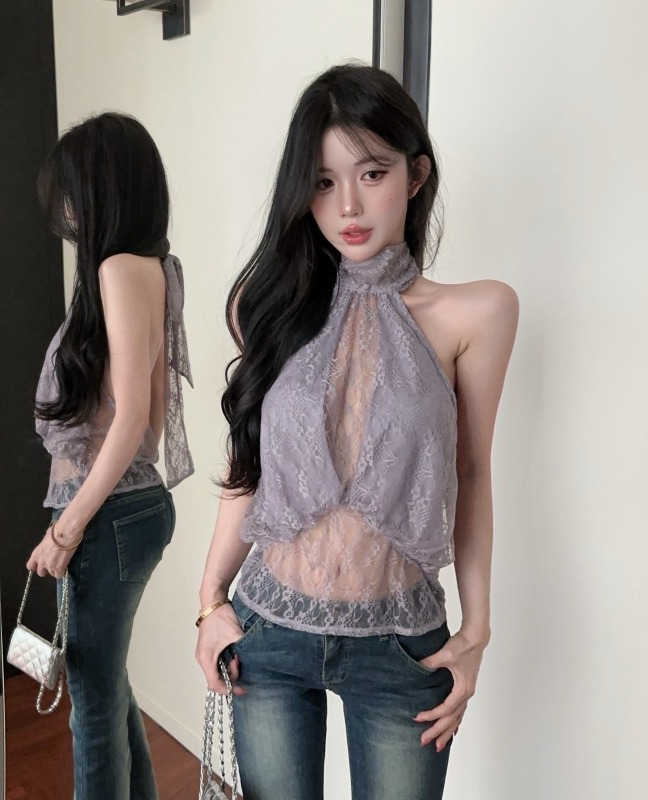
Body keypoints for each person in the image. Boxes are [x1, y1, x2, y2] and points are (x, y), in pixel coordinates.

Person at [195, 64, 518, 799]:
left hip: (401, 649)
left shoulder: (478, 313)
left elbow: (473, 473)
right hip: (268, 633)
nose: (347, 205)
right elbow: (250, 468)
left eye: (372, 173)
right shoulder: (267, 305)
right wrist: (210, 604)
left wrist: (476, 632)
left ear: (415, 174)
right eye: (322, 181)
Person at [26, 111, 194, 799]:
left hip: (106, 516)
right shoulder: (151, 268)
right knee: (109, 689)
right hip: (130, 508)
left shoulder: (119, 269)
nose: (66, 210)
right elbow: (145, 418)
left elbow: (130, 422)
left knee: (92, 708)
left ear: (102, 190)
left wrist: (66, 529)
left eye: (72, 193)